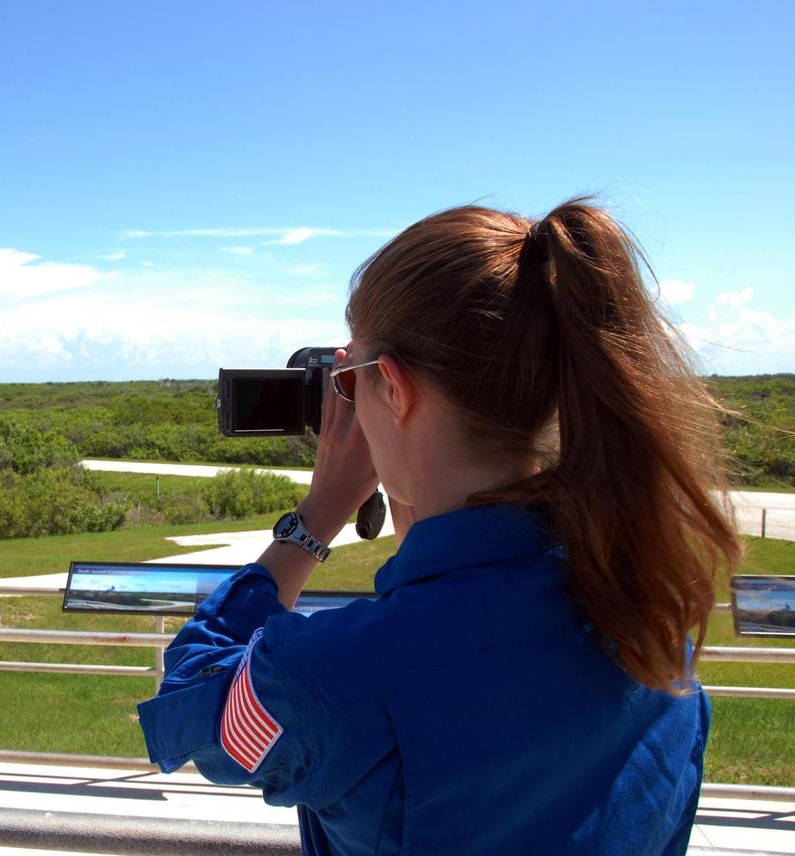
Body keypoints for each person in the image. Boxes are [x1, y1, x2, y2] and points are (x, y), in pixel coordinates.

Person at [137, 198, 741, 855]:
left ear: (393, 389)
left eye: (353, 377)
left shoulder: (330, 678)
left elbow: (192, 704)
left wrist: (317, 516)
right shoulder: (649, 626)